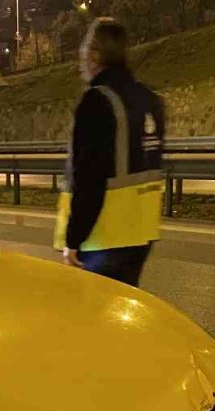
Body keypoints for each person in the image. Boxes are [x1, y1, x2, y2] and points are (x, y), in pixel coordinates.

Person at [57, 18, 166, 288]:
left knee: (91, 311)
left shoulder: (97, 101)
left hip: (104, 237)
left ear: (95, 55)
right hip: (142, 234)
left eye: (84, 49)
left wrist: (73, 239)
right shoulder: (150, 100)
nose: (81, 57)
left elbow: (89, 178)